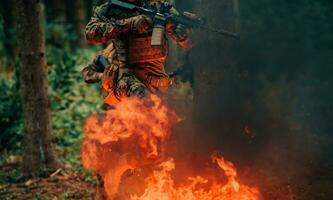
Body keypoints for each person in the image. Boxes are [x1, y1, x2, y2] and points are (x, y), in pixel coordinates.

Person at [82, 0, 192, 106]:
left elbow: (187, 42)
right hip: (124, 90)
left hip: (157, 86)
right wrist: (129, 24)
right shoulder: (110, 8)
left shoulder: (158, 6)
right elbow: (90, 33)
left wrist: (183, 35)